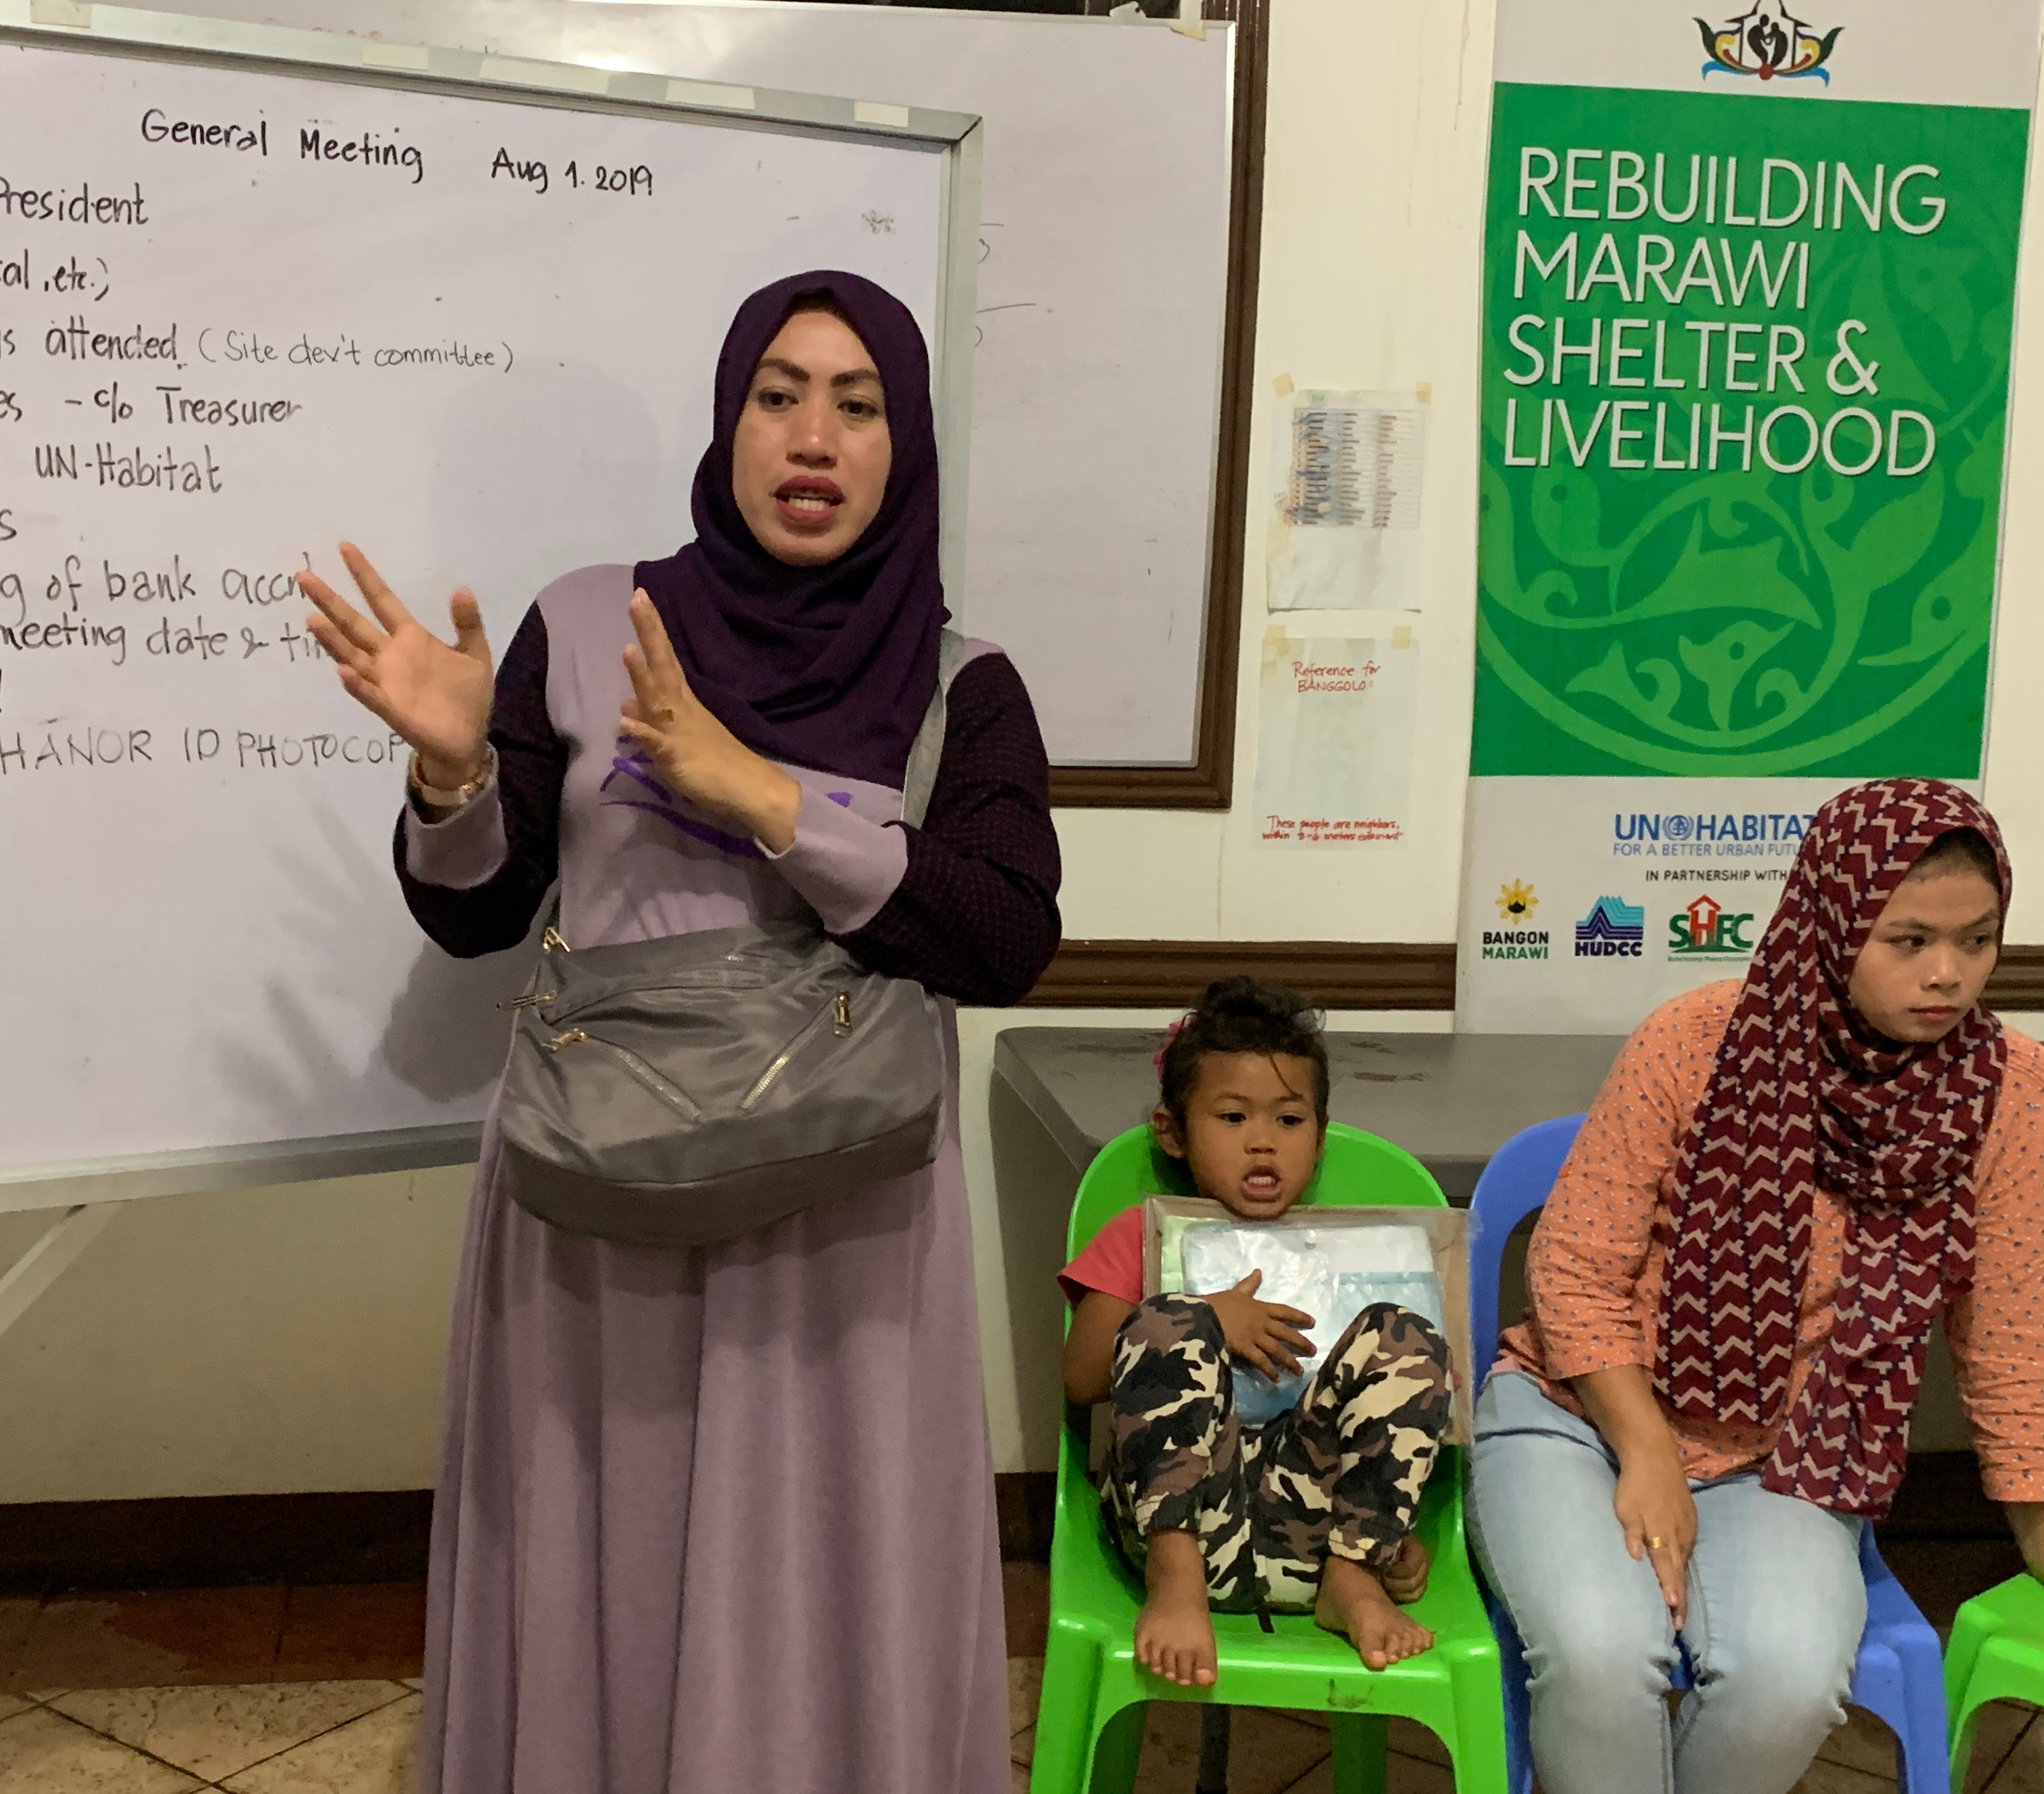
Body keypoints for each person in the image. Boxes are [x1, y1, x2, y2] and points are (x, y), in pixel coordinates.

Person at [297, 270, 1060, 1793]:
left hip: (840, 1230)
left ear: (904, 445)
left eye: (859, 406)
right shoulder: (586, 625)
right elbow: (477, 913)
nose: (813, 436)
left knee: (817, 1587)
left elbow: (1001, 936)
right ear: (730, 423)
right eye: (779, 394)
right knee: (606, 1566)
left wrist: (764, 796)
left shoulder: (960, 685)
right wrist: (453, 786)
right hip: (600, 1210)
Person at [1470, 778, 2044, 1794]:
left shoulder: (2009, 1090)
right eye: (1907, 941)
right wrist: (1645, 1448)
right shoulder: (1695, 1040)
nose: (1948, 976)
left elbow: (2010, 1343)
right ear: (1831, 922)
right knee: (1606, 1658)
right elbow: (1571, 1271)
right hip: (1581, 1413)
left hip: (1798, 1450)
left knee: (1788, 1680)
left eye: (1978, 941)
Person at [1056, 977, 1454, 1687]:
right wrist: (1206, 1314)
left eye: (1289, 1121)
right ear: (1173, 1132)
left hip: (1312, 1532)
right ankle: (1175, 1581)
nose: (1263, 1143)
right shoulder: (1144, 1237)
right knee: (1166, 1318)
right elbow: (1083, 1378)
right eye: (1233, 1118)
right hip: (1178, 1521)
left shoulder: (1359, 1246)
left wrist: (1382, 1529)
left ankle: (1355, 1575)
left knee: (1406, 1335)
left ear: (1320, 1135)